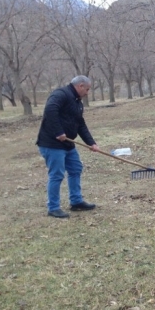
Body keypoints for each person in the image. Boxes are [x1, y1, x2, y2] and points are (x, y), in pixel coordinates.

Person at [36, 75, 99, 218]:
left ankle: (76, 202)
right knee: (57, 175)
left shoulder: (77, 102)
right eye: (87, 89)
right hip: (52, 144)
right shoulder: (61, 94)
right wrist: (58, 132)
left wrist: (91, 143)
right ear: (80, 86)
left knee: (76, 169)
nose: (87, 92)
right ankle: (53, 208)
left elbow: (80, 124)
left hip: (68, 144)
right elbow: (50, 110)